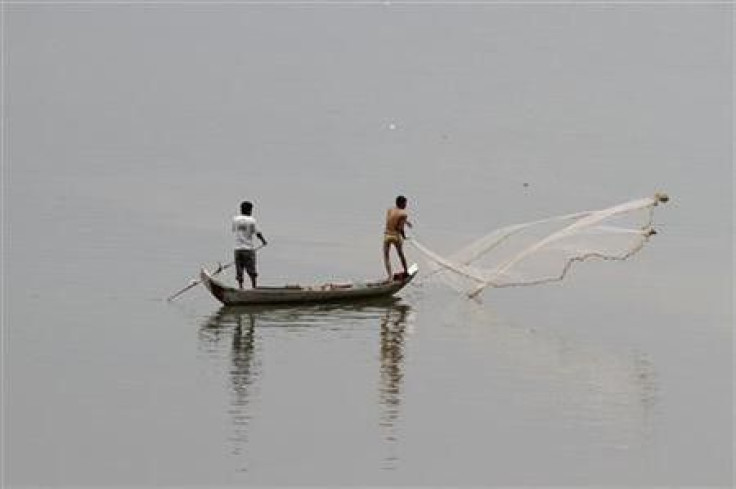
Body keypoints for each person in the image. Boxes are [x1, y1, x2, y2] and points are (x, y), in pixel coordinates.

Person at [232, 201, 267, 289]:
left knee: (239, 270)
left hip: (238, 249)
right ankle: (254, 287)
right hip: (248, 249)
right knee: (252, 270)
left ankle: (240, 287)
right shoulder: (252, 220)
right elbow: (257, 233)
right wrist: (263, 241)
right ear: (249, 210)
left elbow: (234, 230)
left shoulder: (235, 220)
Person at [383, 195, 412, 281]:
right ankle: (406, 271)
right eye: (405, 203)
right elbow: (400, 228)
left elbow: (392, 219)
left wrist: (406, 222)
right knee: (400, 254)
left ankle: (389, 276)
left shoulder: (390, 210)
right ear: (401, 203)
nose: (406, 205)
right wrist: (404, 236)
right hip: (395, 236)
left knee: (386, 256)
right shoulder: (403, 214)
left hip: (387, 235)